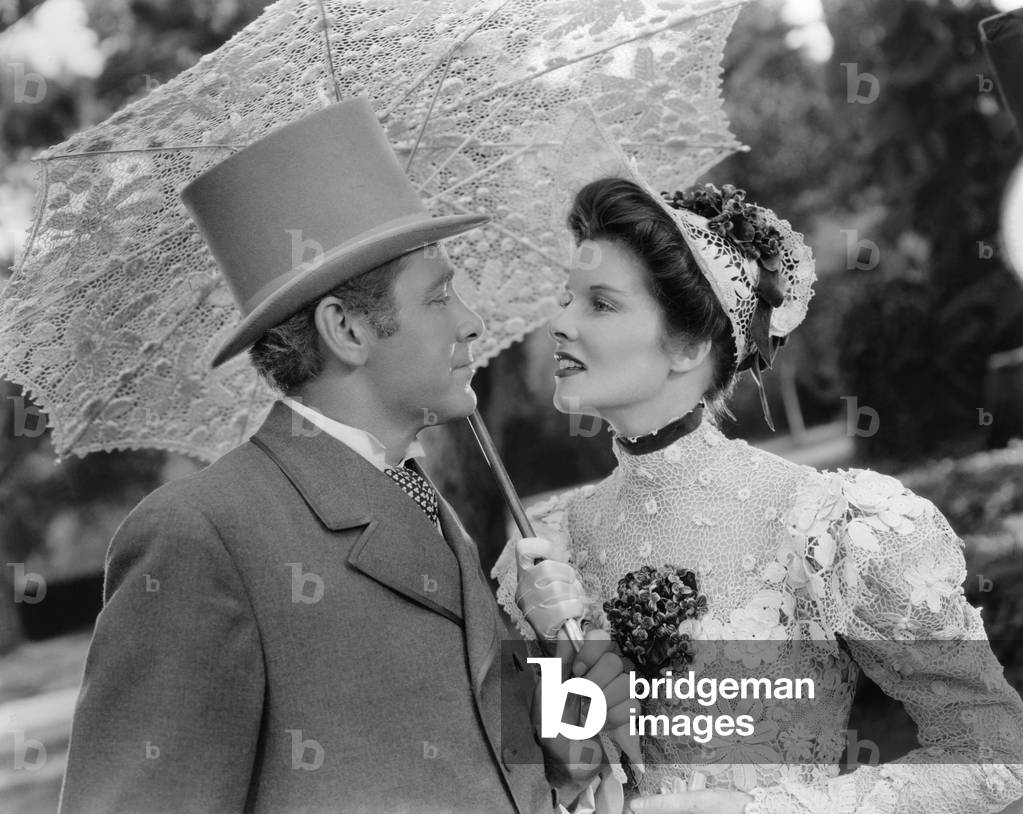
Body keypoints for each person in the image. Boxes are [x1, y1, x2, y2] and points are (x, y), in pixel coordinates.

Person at [58, 97, 627, 814]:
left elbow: (492, 758)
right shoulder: (202, 535)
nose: (471, 322)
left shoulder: (423, 500)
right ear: (347, 329)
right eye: (438, 297)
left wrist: (561, 696)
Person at [494, 176, 1023, 813]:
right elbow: (539, 785)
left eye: (599, 304)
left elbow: (998, 750)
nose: (561, 323)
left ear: (689, 345)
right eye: (567, 299)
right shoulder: (544, 549)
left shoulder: (832, 526)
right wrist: (561, 693)